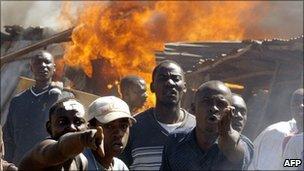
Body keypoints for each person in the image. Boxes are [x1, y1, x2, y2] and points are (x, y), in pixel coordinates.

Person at [119, 60, 196, 170]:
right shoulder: (132, 127)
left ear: (184, 87)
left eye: (176, 79)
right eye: (163, 78)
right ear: (152, 87)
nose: (169, 83)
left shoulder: (197, 128)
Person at [160, 81, 253, 170]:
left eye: (221, 104)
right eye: (206, 102)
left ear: (231, 110)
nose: (214, 108)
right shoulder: (175, 141)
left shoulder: (243, 144)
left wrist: (226, 133)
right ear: (193, 108)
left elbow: (235, 154)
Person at [3, 50, 74, 165]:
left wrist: (57, 97)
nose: (43, 66)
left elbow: (69, 136)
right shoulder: (18, 101)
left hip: (49, 164)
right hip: (19, 164)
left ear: (54, 68)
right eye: (38, 63)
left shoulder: (64, 98)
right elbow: (8, 137)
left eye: (47, 62)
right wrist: (7, 164)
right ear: (31, 68)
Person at [18, 97, 104, 170]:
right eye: (62, 122)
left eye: (78, 122)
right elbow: (59, 149)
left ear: (87, 127)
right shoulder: (42, 150)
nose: (72, 127)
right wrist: (82, 138)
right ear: (49, 127)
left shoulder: (81, 161)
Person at [249, 88, 303, 170]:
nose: (301, 105)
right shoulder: (276, 132)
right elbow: (285, 165)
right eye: (296, 103)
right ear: (291, 107)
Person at [84, 96, 136, 170]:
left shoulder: (120, 167)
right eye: (109, 126)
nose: (119, 134)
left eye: (124, 126)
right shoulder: (78, 162)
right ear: (91, 128)